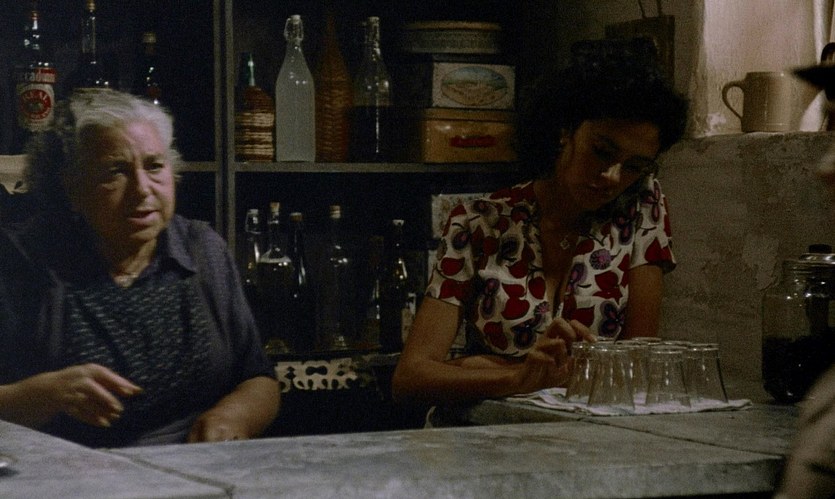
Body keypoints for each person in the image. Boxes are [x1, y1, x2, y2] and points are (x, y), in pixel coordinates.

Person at [392, 39, 688, 407]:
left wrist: (475, 367)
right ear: (565, 130)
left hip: (586, 432)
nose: (613, 176)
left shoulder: (641, 210)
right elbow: (410, 379)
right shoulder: (479, 223)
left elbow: (636, 369)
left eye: (635, 166)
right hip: (484, 432)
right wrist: (518, 378)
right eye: (602, 151)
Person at [0, 89, 279, 447]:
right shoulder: (21, 260)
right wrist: (36, 396)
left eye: (154, 166)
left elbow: (258, 378)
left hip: (196, 462)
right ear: (70, 186)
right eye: (115, 171)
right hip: (72, 471)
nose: (142, 189)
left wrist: (232, 416)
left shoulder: (201, 250)